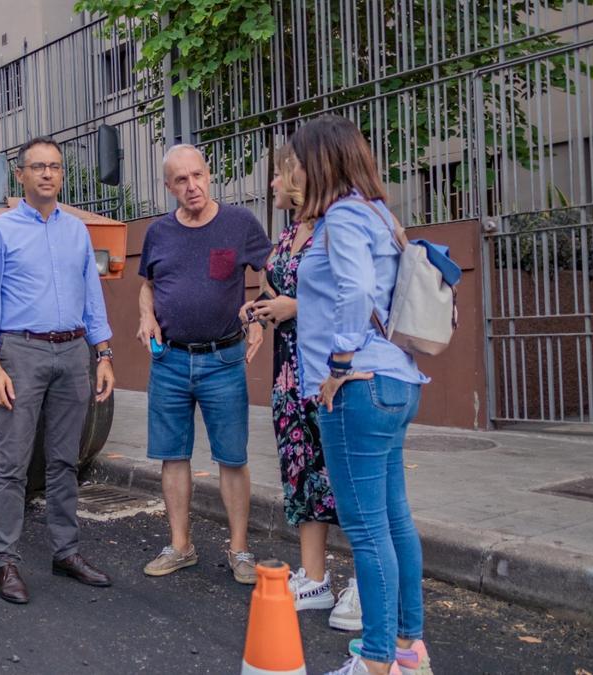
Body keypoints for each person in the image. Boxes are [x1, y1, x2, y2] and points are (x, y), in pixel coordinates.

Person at [290, 115, 432, 675]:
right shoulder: (378, 213)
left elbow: (355, 291)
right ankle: (408, 649)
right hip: (397, 380)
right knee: (395, 522)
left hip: (360, 387)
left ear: (323, 161)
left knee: (369, 532)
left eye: (300, 161)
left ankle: (375, 661)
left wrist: (339, 364)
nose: (295, 171)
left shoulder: (345, 216)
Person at [0, 136, 116, 605]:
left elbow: (91, 295)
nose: (48, 174)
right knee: (12, 463)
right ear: (21, 175)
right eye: (38, 167)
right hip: (22, 352)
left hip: (73, 353)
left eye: (54, 166)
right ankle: (6, 561)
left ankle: (65, 552)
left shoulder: (77, 231)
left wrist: (104, 352)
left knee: (64, 462)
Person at [240, 145, 361, 629]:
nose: (271, 185)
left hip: (331, 372)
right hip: (291, 374)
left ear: (301, 174)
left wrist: (295, 308)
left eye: (277, 174)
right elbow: (277, 290)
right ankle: (314, 578)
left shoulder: (338, 227)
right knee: (304, 473)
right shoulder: (291, 233)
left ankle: (362, 584)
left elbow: (354, 302)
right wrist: (258, 310)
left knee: (347, 480)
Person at [136, 144, 268, 584]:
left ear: (209, 175)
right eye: (181, 180)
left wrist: (260, 314)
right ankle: (180, 545)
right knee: (172, 457)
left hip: (223, 360)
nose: (192, 186)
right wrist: (146, 315)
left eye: (198, 176)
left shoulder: (240, 224)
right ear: (168, 186)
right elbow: (148, 285)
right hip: (170, 361)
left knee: (233, 458)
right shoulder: (159, 232)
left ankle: (240, 550)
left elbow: (273, 279)